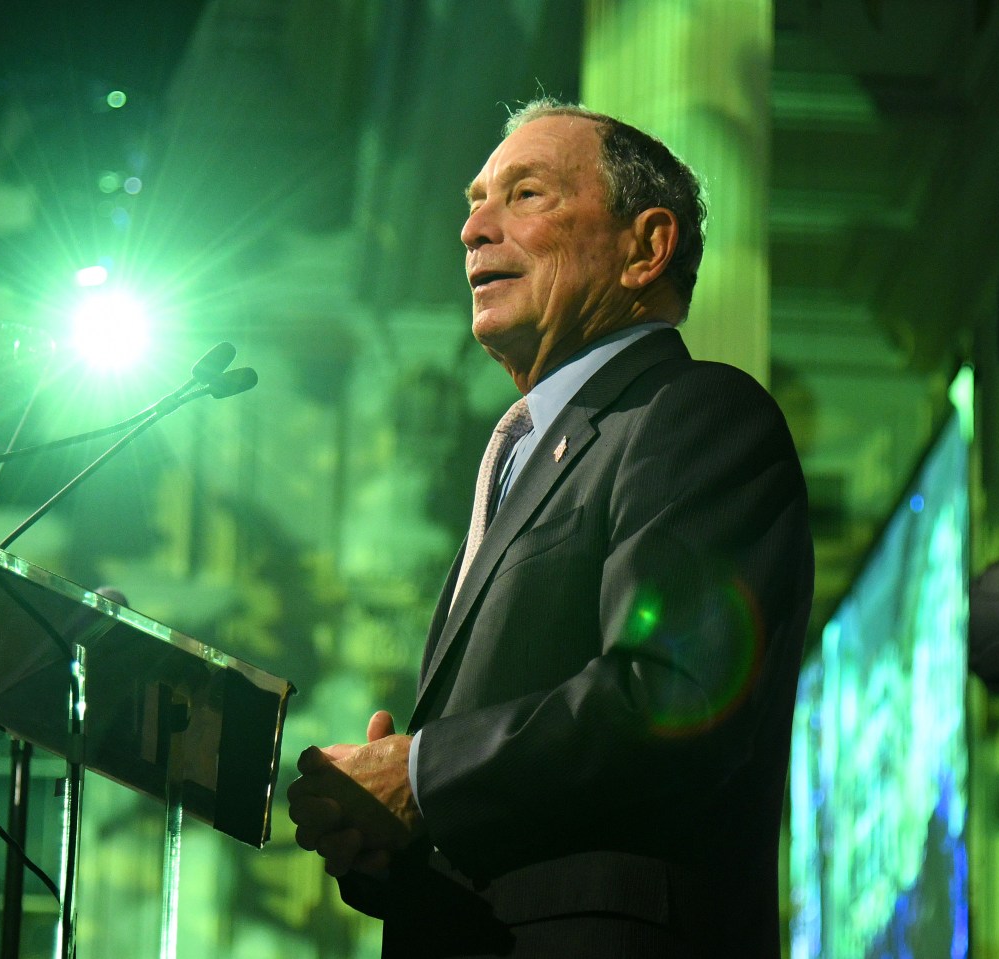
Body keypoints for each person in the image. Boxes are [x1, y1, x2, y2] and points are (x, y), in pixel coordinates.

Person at [287, 99, 814, 958]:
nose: (472, 229)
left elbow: (671, 696)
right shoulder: (515, 460)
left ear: (647, 246)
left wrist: (423, 774)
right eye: (473, 200)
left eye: (524, 195)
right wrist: (387, 839)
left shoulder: (695, 415)